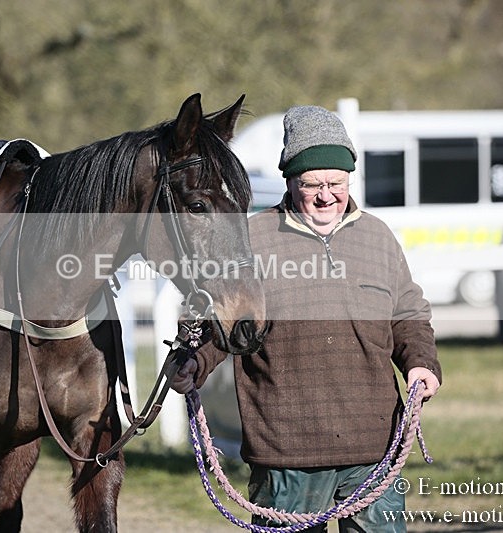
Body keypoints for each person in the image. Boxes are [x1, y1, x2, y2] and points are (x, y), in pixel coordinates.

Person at [172, 105, 442, 532]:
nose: (325, 194)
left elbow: (408, 314)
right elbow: (219, 319)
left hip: (375, 446)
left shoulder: (378, 238)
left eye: (336, 182)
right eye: (311, 183)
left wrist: (421, 363)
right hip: (285, 454)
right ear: (290, 181)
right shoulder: (252, 239)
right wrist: (194, 361)